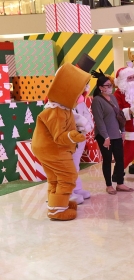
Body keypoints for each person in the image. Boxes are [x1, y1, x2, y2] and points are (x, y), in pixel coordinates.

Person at [32, 63, 90, 221]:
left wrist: (76, 127)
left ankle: (57, 205)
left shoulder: (62, 108)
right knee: (68, 176)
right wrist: (75, 135)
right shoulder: (56, 111)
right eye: (79, 92)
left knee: (55, 178)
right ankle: (57, 210)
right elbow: (59, 136)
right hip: (53, 149)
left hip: (49, 149)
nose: (82, 96)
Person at [91, 70, 133, 194]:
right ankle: (109, 185)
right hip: (104, 136)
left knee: (120, 159)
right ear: (100, 88)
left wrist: (123, 130)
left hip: (116, 134)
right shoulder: (97, 101)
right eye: (107, 86)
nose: (110, 88)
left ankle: (120, 183)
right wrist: (106, 137)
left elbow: (119, 115)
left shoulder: (113, 98)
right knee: (108, 159)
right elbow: (99, 121)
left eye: (111, 85)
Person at [70, 86, 94, 204]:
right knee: (67, 165)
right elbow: (73, 118)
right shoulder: (62, 102)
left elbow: (87, 116)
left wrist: (87, 126)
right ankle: (66, 192)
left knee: (75, 164)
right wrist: (82, 124)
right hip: (68, 139)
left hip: (81, 138)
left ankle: (76, 189)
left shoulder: (81, 102)